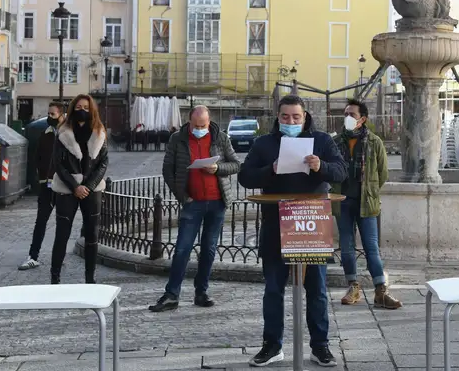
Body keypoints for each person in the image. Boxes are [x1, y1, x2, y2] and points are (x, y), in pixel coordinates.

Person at [239, 95, 347, 368]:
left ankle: (320, 346)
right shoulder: (264, 143)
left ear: (305, 116)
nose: (290, 122)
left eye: (296, 117)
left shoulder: (322, 140)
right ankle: (272, 346)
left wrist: (320, 166)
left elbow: (341, 171)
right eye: (285, 117)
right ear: (278, 117)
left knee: (317, 289)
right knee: (273, 289)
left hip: (311, 223)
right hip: (276, 222)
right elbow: (245, 176)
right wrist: (270, 170)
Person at [149, 106, 241, 312]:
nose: (200, 129)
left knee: (208, 250)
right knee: (182, 249)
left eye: (204, 125)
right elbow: (167, 170)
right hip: (193, 203)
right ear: (189, 122)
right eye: (196, 125)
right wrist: (183, 197)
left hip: (217, 202)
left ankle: (201, 292)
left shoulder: (221, 138)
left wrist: (218, 168)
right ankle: (172, 295)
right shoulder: (177, 139)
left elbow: (236, 164)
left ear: (209, 122)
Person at [331, 99, 401, 310]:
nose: (347, 118)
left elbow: (382, 174)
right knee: (346, 248)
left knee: (371, 248)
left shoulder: (374, 142)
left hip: (366, 203)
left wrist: (369, 190)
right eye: (345, 114)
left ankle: (381, 290)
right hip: (342, 201)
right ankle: (353, 286)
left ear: (363, 119)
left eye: (352, 114)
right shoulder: (336, 142)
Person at [50, 94, 108, 285]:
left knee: (92, 234)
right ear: (72, 109)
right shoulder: (63, 131)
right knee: (62, 234)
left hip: (92, 189)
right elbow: (58, 164)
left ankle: (90, 279)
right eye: (78, 106)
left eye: (85, 106)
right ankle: (55, 277)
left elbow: (103, 162)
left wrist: (88, 187)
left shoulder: (99, 132)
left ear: (91, 109)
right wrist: (75, 187)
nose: (81, 110)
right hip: (67, 189)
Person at [19, 103, 64, 270]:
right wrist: (40, 178)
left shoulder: (68, 134)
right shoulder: (46, 134)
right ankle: (33, 255)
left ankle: (59, 256)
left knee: (62, 222)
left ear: (61, 115)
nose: (50, 117)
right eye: (48, 113)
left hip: (64, 187)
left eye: (53, 114)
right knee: (41, 221)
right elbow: (37, 157)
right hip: (47, 184)